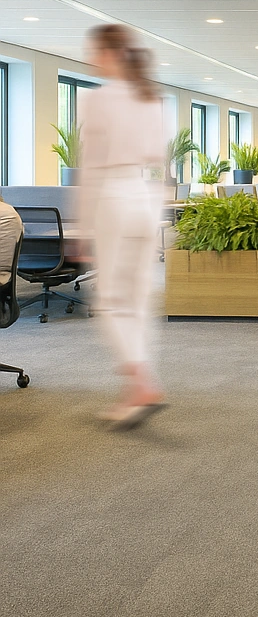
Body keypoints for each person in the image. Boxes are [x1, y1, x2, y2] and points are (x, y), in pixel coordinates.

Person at [80, 24, 169, 429]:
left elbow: (92, 167)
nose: (90, 57)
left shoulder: (99, 99)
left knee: (110, 301)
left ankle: (139, 380)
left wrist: (84, 227)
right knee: (138, 299)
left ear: (110, 53)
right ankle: (135, 388)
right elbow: (156, 153)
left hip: (113, 197)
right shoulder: (150, 97)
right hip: (146, 197)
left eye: (94, 50)